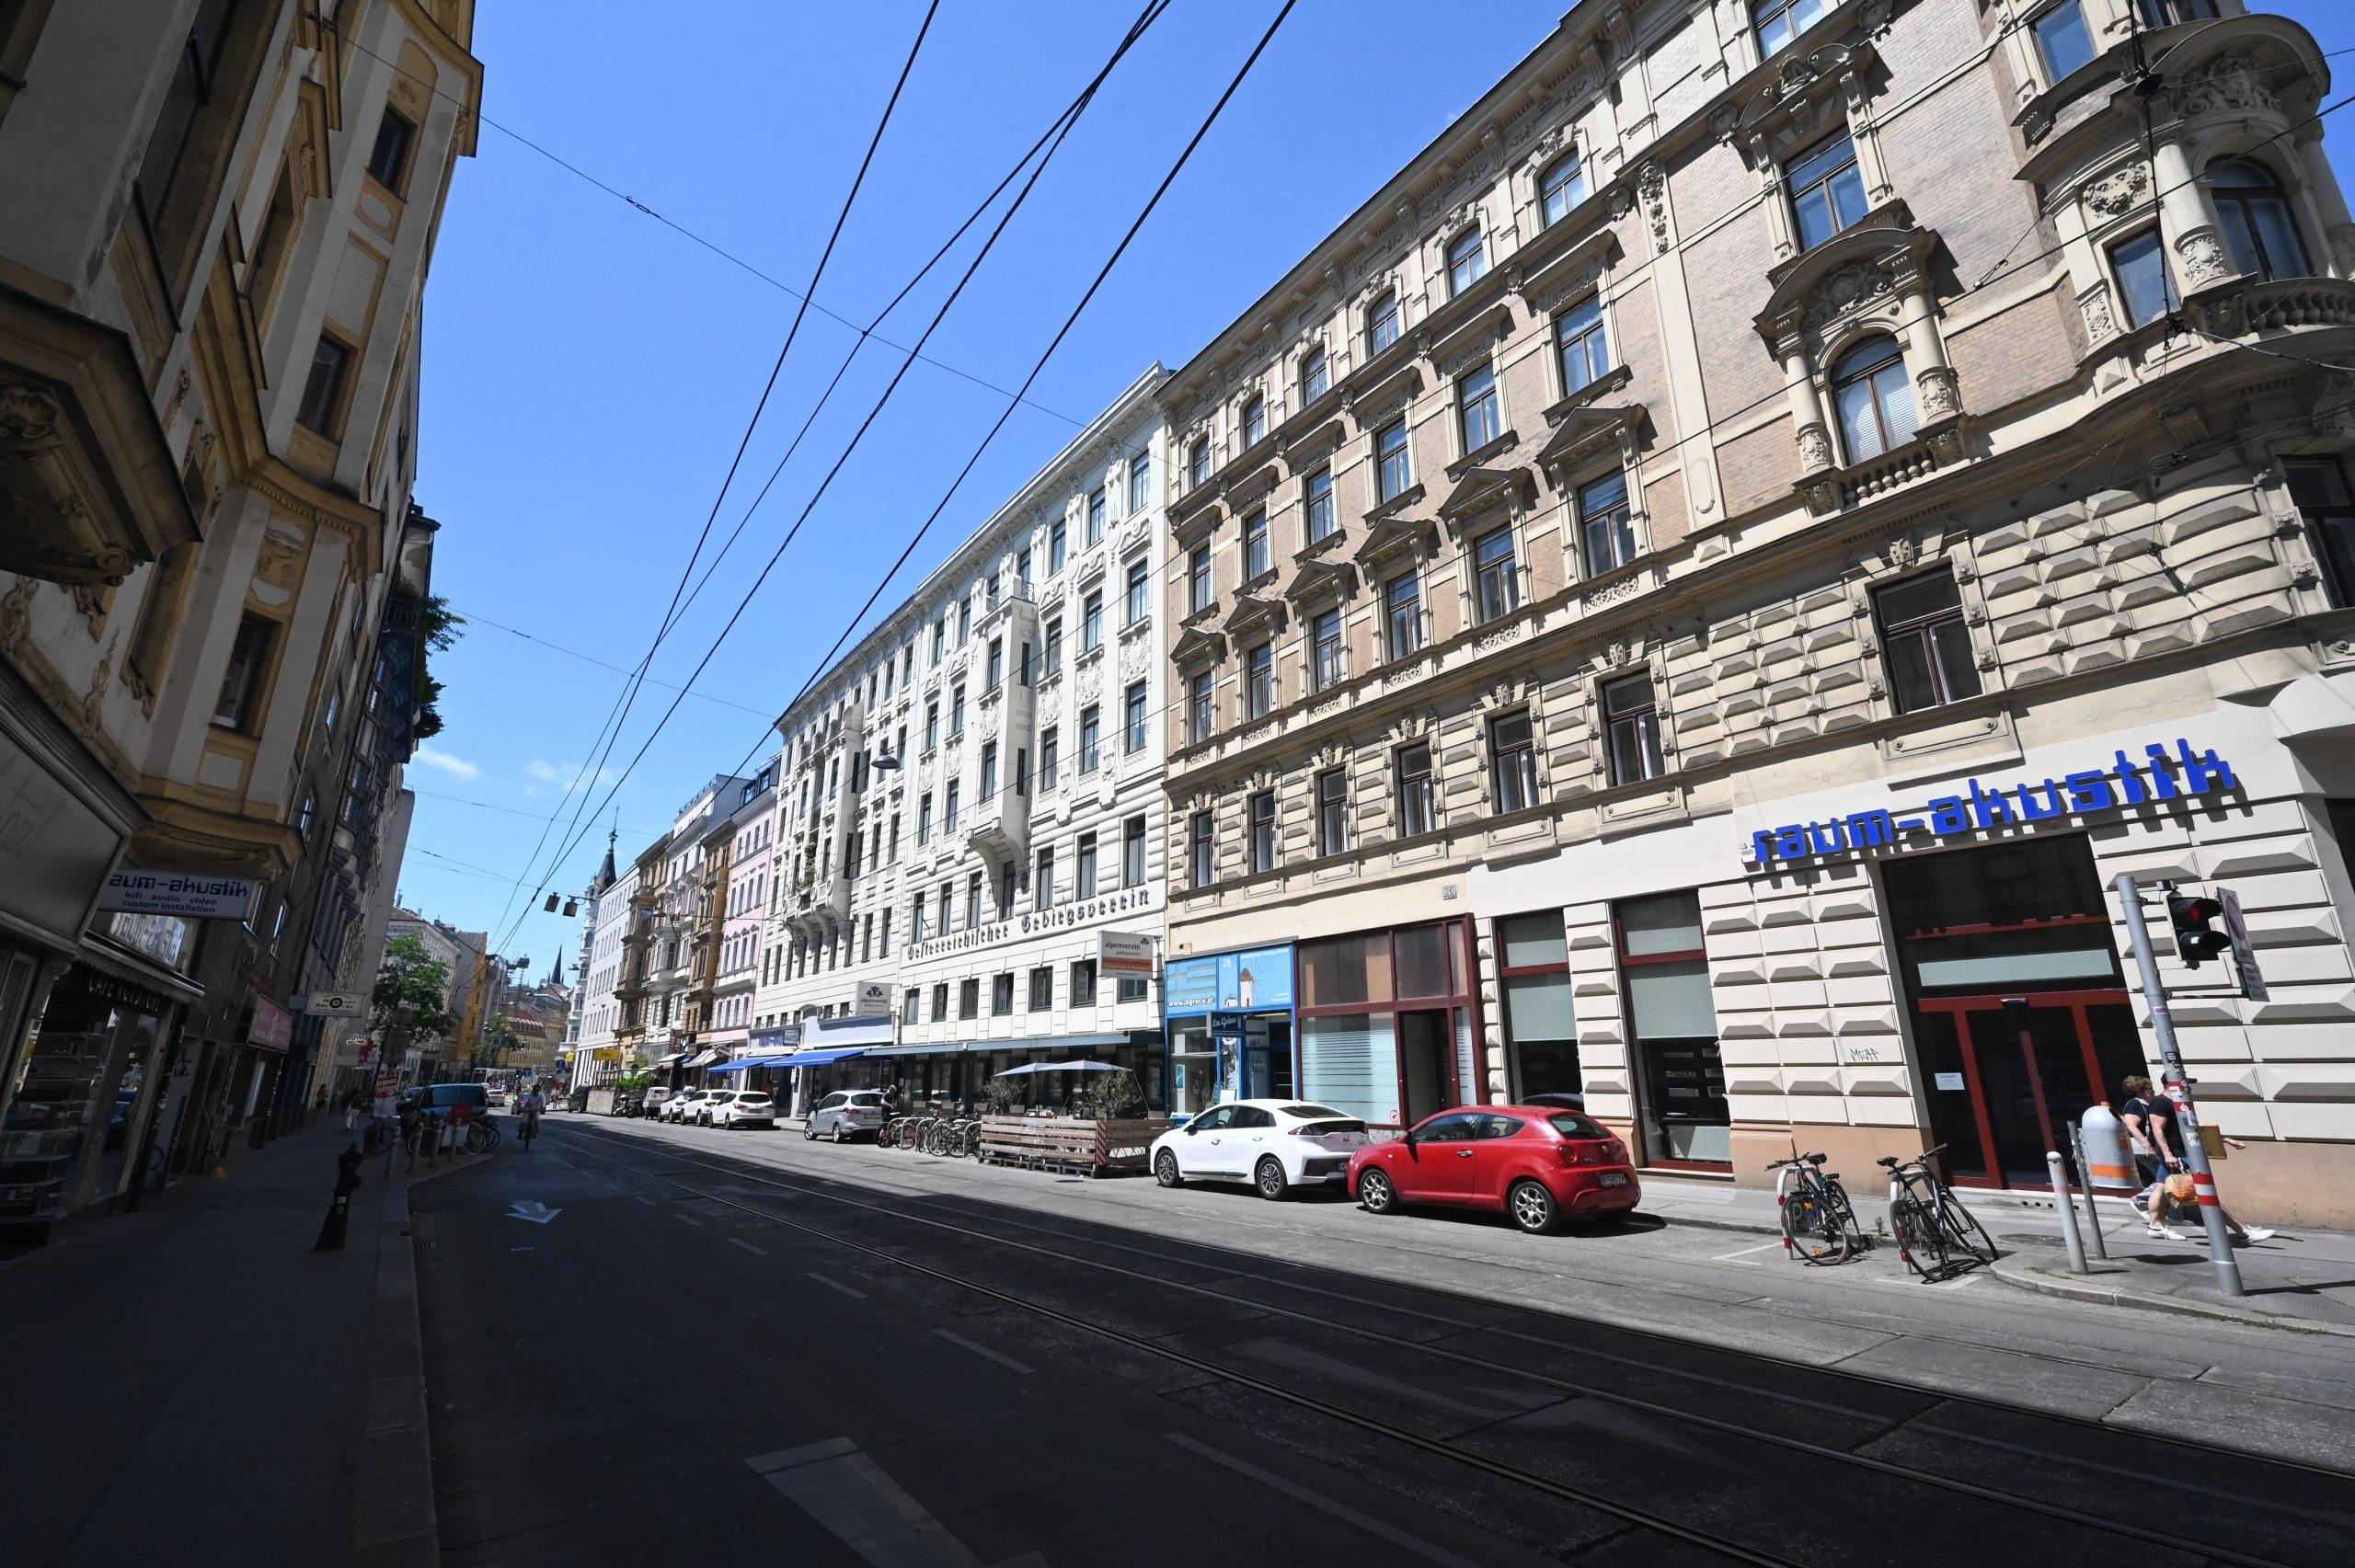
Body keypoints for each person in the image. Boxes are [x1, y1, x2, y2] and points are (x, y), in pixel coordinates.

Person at [2120, 1075, 2273, 1245]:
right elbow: (2157, 1129)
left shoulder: (2177, 1104)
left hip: (2179, 1154)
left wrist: (2225, 1139)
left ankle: (2155, 1226)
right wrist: (2167, 1154)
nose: (2188, 1087)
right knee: (2204, 1192)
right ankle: (2243, 1232)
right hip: (2177, 1155)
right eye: (2184, 1084)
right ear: (2172, 1085)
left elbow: (2191, 1129)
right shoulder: (2160, 1103)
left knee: (2162, 1188)